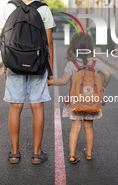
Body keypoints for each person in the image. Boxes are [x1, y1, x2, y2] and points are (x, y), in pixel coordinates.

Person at [0, 0, 55, 164]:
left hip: (14, 64)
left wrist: (6, 68)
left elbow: (4, 41)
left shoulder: (9, 8)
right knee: (37, 106)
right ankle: (37, 153)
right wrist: (50, 71)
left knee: (15, 106)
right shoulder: (44, 9)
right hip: (38, 65)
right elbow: (48, 43)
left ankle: (14, 153)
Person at [48, 33, 111, 164]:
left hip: (75, 102)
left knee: (75, 127)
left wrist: (49, 82)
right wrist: (103, 86)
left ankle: (72, 155)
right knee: (88, 127)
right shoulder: (95, 63)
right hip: (91, 102)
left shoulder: (72, 64)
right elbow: (108, 74)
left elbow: (64, 81)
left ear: (73, 47)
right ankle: (88, 153)